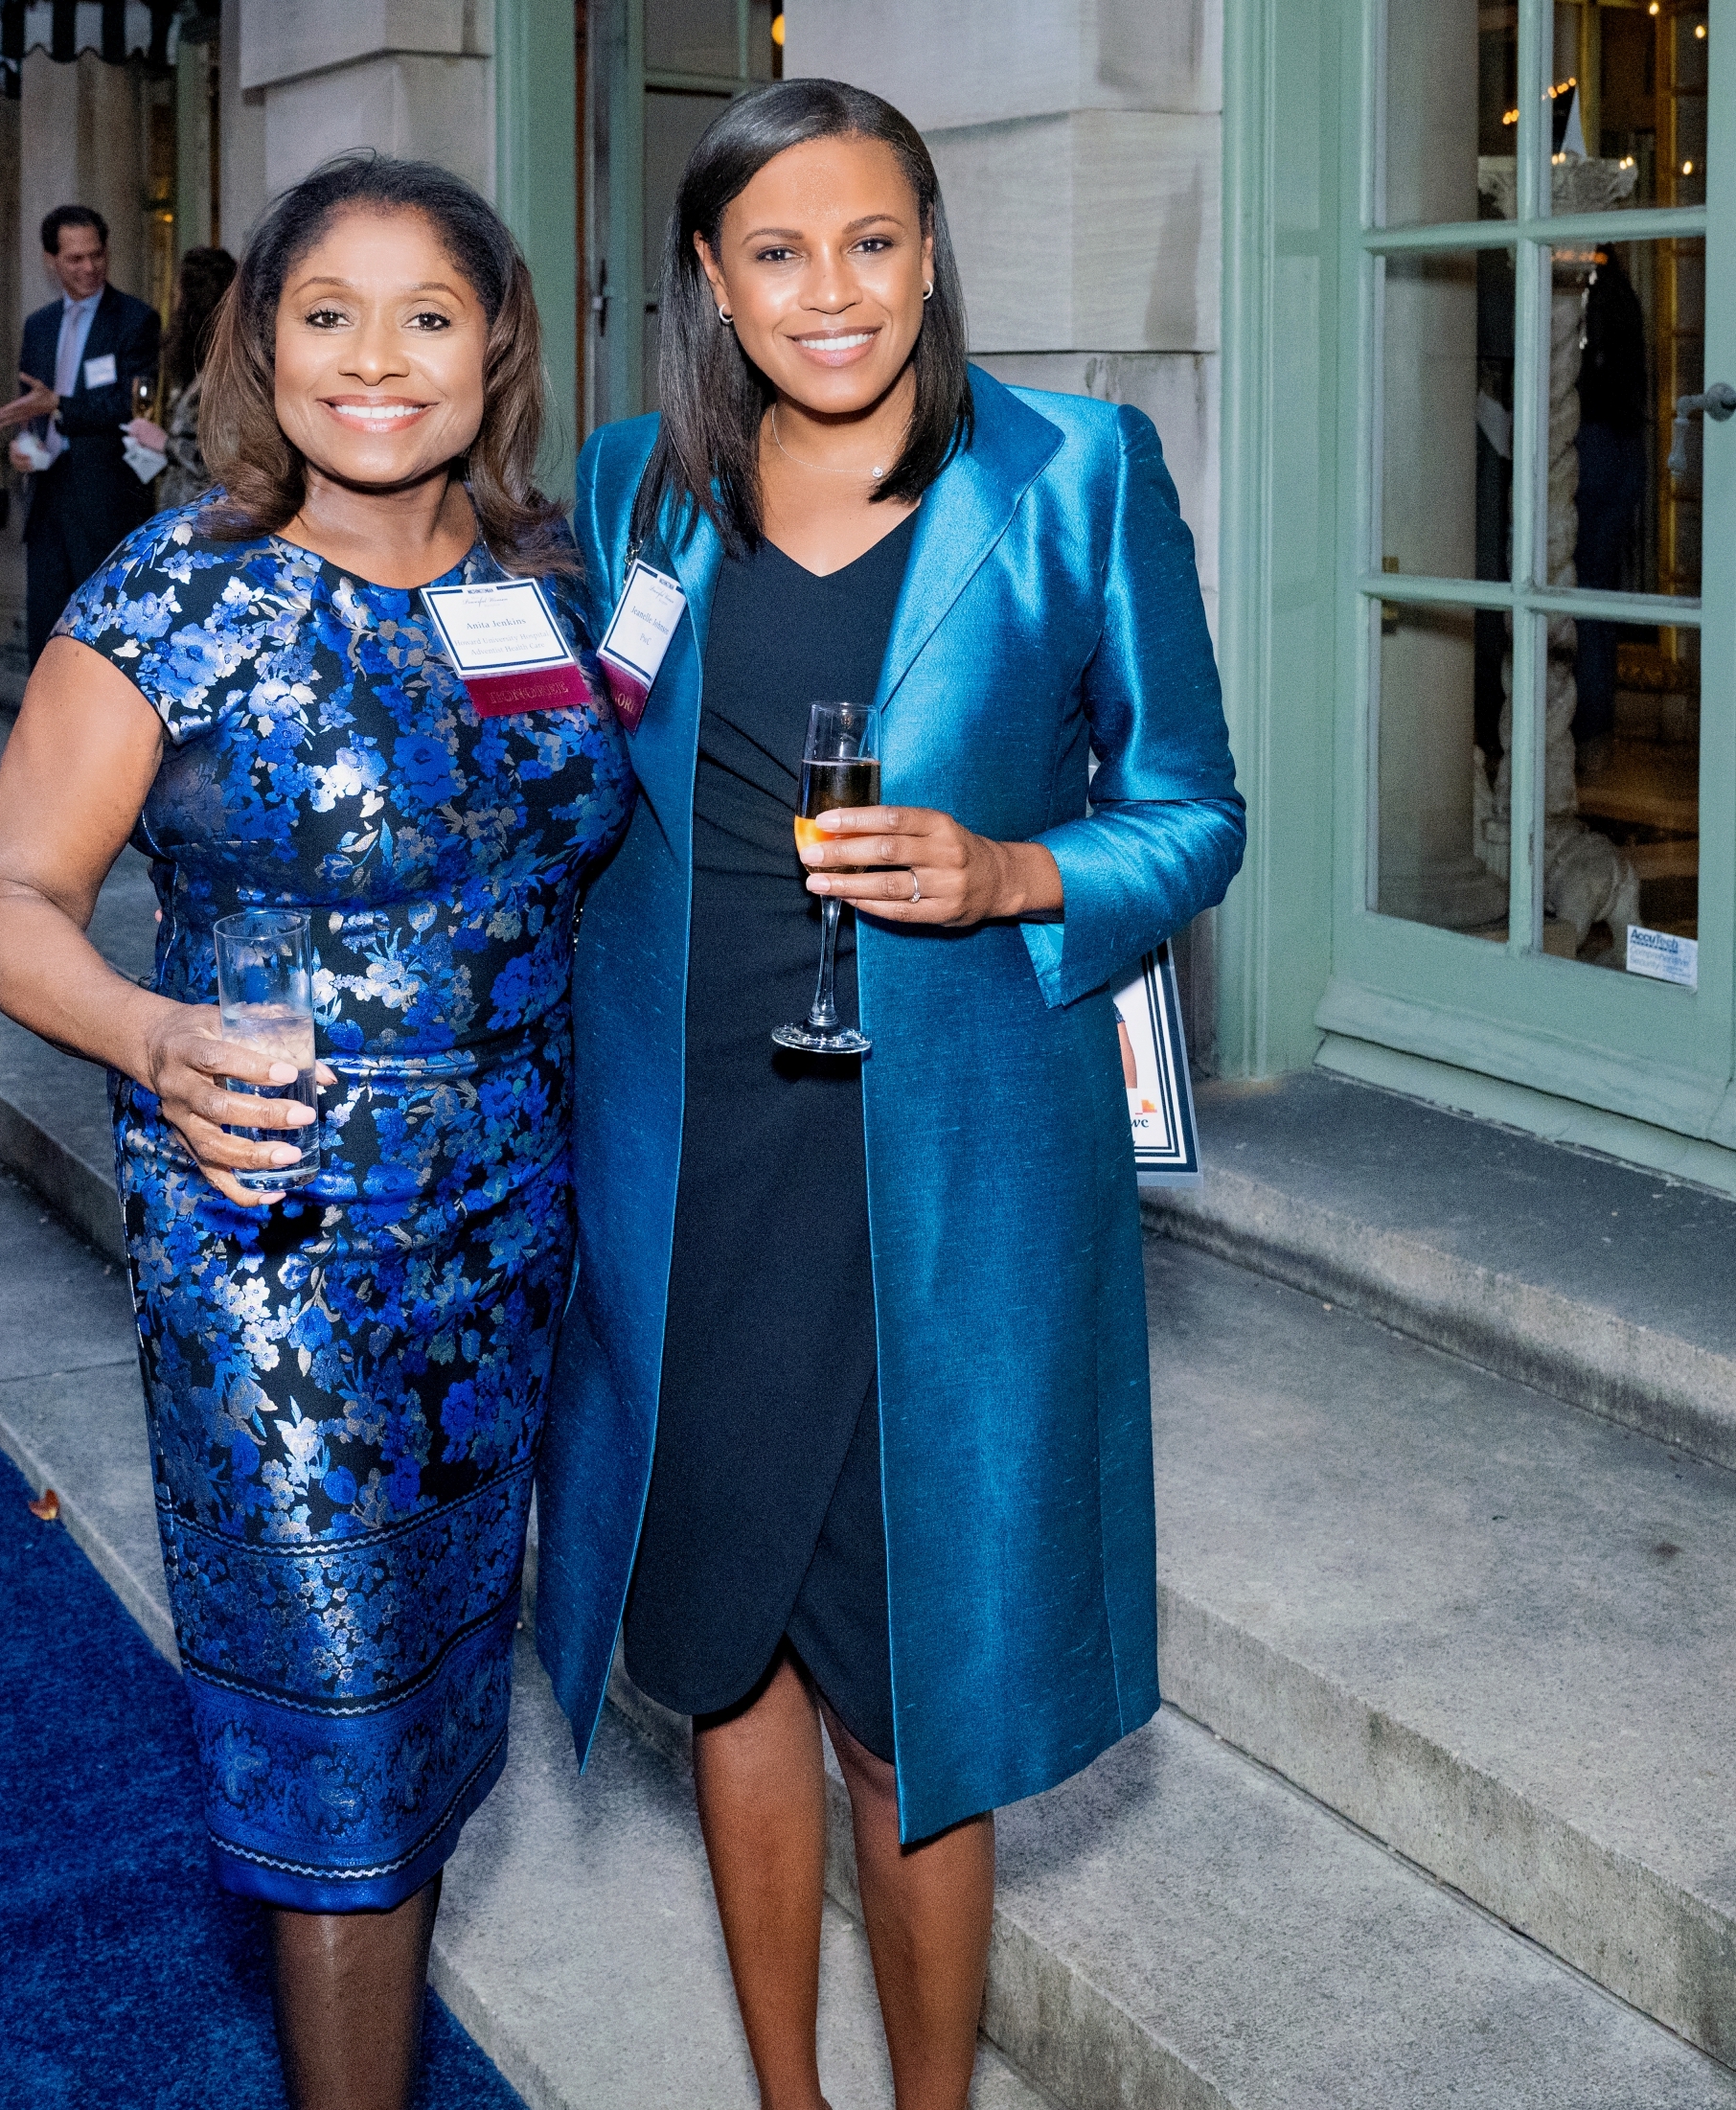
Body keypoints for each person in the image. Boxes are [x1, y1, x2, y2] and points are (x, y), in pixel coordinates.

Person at [539, 80, 1244, 2110]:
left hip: (943, 1177)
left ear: (931, 248)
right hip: (691, 1171)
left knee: (904, 1693)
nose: (827, 293)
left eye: (869, 242)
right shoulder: (630, 491)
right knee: (725, 1659)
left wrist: (1016, 872)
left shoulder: (1072, 476)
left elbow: (1191, 812)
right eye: (776, 251)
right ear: (710, 276)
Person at [0, 154, 635, 2109]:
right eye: (326, 313)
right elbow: (6, 896)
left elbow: (618, 854)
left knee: (426, 1714)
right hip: (279, 1247)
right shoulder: (174, 591)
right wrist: (151, 1035)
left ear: (493, 343)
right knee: (334, 1731)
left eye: (429, 314)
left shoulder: (542, 582)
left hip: (514, 1240)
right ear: (263, 340)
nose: (376, 360)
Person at [0, 204, 161, 665]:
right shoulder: (38, 325)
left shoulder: (134, 320)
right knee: (49, 624)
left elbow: (132, 405)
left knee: (106, 624)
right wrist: (22, 448)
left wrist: (61, 405)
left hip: (105, 495)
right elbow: (32, 405)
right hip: (47, 496)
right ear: (51, 261)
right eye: (75, 259)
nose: (89, 268)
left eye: (97, 255)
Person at [1572, 249, 1646, 776]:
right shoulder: (1626, 294)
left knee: (1575, 593)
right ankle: (1598, 731)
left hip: (1591, 442)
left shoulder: (1587, 295)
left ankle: (1583, 728)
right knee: (1599, 595)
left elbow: (1583, 376)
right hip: (1627, 447)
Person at [136, 243, 237, 513]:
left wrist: (164, 443)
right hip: (187, 516)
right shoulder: (204, 368)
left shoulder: (227, 376)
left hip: (205, 522)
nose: (173, 300)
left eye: (177, 293)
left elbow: (224, 461)